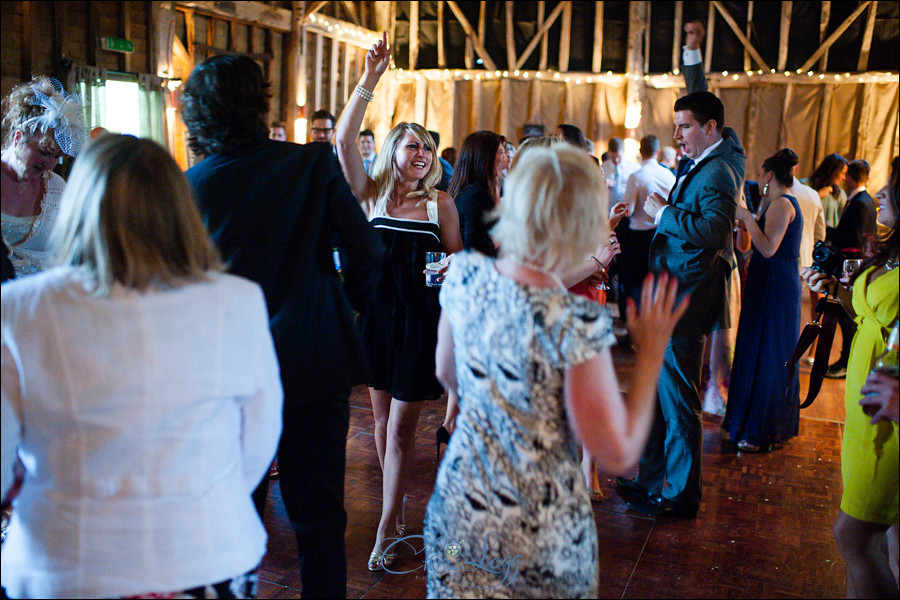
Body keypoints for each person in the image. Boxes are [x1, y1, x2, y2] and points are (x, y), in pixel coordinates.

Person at [0, 134, 283, 598]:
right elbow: (258, 437)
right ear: (179, 210)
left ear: (79, 208)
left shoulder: (19, 308)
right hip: (204, 548)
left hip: (70, 559)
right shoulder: (237, 301)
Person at [425, 145, 688, 596]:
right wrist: (648, 356)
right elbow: (620, 454)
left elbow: (446, 373)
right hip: (540, 519)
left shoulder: (464, 276)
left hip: (464, 502)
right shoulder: (573, 320)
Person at [181, 54, 383, 598]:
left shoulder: (188, 188)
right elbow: (366, 252)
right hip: (313, 360)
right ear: (259, 104)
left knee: (230, 514)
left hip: (226, 373)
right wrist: (349, 314)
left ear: (194, 114)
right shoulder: (312, 166)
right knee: (319, 519)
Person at [334, 32, 462, 572]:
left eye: (427, 148)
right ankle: (396, 512)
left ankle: (388, 525)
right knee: (381, 425)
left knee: (404, 429)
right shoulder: (372, 196)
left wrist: (457, 269)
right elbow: (342, 144)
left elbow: (458, 266)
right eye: (413, 145)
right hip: (378, 324)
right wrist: (369, 81)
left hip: (422, 329)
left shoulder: (442, 205)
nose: (423, 154)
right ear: (394, 151)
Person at [619, 89, 746, 518]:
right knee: (657, 395)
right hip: (671, 294)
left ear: (711, 127)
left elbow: (714, 230)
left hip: (686, 300)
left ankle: (680, 494)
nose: (676, 135)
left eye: (685, 125)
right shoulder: (717, 157)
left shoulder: (719, 171)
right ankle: (651, 479)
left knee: (677, 400)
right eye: (676, 126)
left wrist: (663, 214)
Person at [801, 155, 898, 599]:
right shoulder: (893, 251)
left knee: (852, 534)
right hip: (865, 413)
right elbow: (871, 313)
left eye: (891, 185)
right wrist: (836, 289)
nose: (879, 192)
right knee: (889, 538)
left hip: (890, 419)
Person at [722, 152, 803, 452]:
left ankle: (761, 429)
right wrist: (746, 223)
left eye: (761, 173)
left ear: (769, 175)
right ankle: (746, 423)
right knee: (755, 348)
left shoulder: (782, 204)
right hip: (765, 281)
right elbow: (751, 244)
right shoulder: (773, 203)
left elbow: (768, 248)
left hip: (775, 284)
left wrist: (744, 217)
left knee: (769, 353)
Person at [2, 76, 86, 276]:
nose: (49, 163)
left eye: (57, 156)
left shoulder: (56, 188)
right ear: (18, 138)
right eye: (44, 152)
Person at [825, 158, 878, 379]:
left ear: (848, 177)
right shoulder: (863, 199)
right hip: (851, 266)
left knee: (847, 318)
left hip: (851, 268)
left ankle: (846, 363)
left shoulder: (861, 202)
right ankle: (845, 360)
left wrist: (830, 233)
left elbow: (855, 239)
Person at [620, 135, 676, 307]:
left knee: (636, 282)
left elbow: (627, 210)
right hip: (663, 233)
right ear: (657, 152)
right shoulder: (668, 175)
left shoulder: (636, 176)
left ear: (640, 151)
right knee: (656, 280)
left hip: (638, 236)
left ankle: (635, 326)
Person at [448, 130, 504, 258]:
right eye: (500, 153)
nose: (503, 158)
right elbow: (475, 248)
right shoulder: (477, 195)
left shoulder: (465, 189)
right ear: (487, 157)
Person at [808, 153, 849, 229]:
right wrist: (818, 195)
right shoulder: (806, 185)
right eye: (842, 173)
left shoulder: (840, 194)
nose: (844, 178)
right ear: (833, 171)